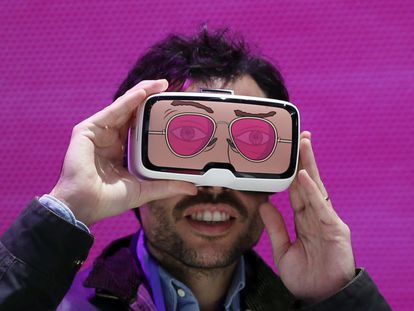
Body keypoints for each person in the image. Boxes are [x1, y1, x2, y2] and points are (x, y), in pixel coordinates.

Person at [0, 28, 391, 311]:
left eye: (253, 141)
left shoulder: (323, 302)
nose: (213, 179)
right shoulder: (55, 303)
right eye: (184, 135)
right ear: (128, 152)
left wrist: (338, 298)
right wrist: (67, 208)